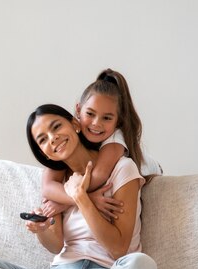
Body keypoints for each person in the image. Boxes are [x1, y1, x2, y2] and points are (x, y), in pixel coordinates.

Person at [0, 104, 157, 269]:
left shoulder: (122, 168)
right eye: (42, 139)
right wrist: (42, 229)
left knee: (143, 267)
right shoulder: (55, 183)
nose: (52, 138)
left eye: (56, 127)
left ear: (75, 124)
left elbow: (119, 248)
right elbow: (55, 246)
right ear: (42, 152)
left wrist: (81, 198)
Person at [42, 69, 162, 220]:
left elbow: (98, 176)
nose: (96, 124)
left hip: (150, 168)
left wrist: (63, 203)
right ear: (78, 110)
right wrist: (88, 198)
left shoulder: (115, 139)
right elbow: (47, 187)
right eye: (90, 114)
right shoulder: (70, 132)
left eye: (106, 118)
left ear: (117, 121)